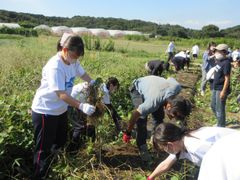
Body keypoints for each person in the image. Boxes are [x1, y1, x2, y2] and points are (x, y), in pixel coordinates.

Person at [31, 34, 96, 179]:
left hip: (60, 110)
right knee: (43, 149)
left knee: (60, 141)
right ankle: (39, 175)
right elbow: (61, 94)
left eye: (77, 57)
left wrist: (93, 82)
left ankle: (53, 169)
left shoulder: (73, 61)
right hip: (45, 111)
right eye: (74, 56)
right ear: (65, 50)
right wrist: (81, 106)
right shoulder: (55, 66)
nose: (75, 60)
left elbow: (83, 74)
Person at [122, 76, 192, 163]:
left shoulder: (177, 87)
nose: (172, 118)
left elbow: (170, 77)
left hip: (155, 89)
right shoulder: (152, 103)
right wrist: (128, 132)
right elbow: (134, 114)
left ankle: (155, 140)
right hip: (137, 88)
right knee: (141, 121)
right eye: (173, 115)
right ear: (169, 106)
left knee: (159, 118)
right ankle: (142, 148)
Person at [147, 122, 240, 180]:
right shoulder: (182, 139)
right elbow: (165, 164)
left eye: (164, 148)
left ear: (170, 145)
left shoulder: (197, 148)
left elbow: (222, 167)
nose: (165, 151)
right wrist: (151, 178)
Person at [68, 77, 122, 149]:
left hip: (78, 102)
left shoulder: (100, 86)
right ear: (111, 85)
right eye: (115, 88)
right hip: (71, 102)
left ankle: (90, 145)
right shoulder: (103, 92)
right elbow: (111, 110)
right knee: (79, 127)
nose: (114, 91)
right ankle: (73, 150)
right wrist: (118, 123)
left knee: (90, 126)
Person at [211, 44, 231, 127]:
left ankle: (221, 126)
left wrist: (223, 91)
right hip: (215, 87)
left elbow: (227, 78)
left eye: (218, 51)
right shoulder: (220, 61)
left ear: (224, 52)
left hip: (220, 88)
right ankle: (220, 121)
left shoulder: (226, 63)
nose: (216, 53)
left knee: (220, 108)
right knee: (213, 106)